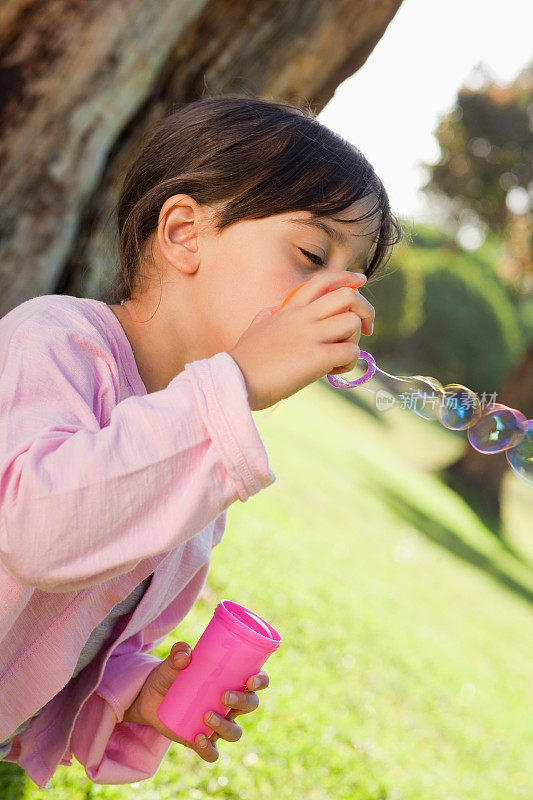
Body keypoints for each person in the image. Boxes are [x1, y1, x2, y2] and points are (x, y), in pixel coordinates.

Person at [0, 93, 402, 790]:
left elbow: (72, 621)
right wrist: (237, 381)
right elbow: (37, 531)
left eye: (352, 278)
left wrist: (134, 687)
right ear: (183, 233)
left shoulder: (195, 446)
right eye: (312, 254)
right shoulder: (57, 341)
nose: (339, 301)